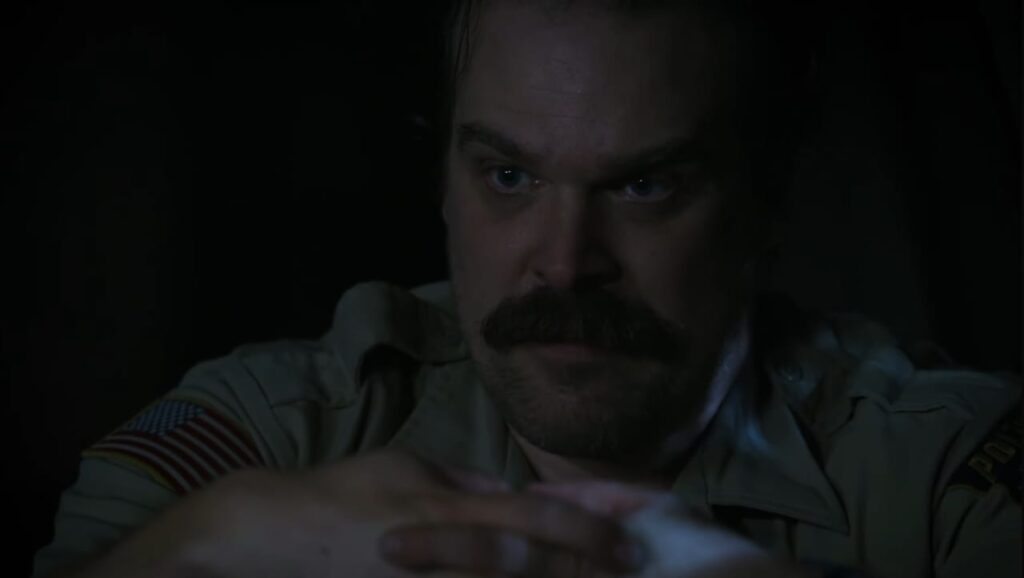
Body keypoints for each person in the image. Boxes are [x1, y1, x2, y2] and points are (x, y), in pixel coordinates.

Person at [34, 1, 1021, 577]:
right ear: (444, 181)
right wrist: (201, 548)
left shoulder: (940, 470)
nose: (563, 261)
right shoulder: (272, 433)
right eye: (508, 175)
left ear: (765, 202)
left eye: (643, 185)